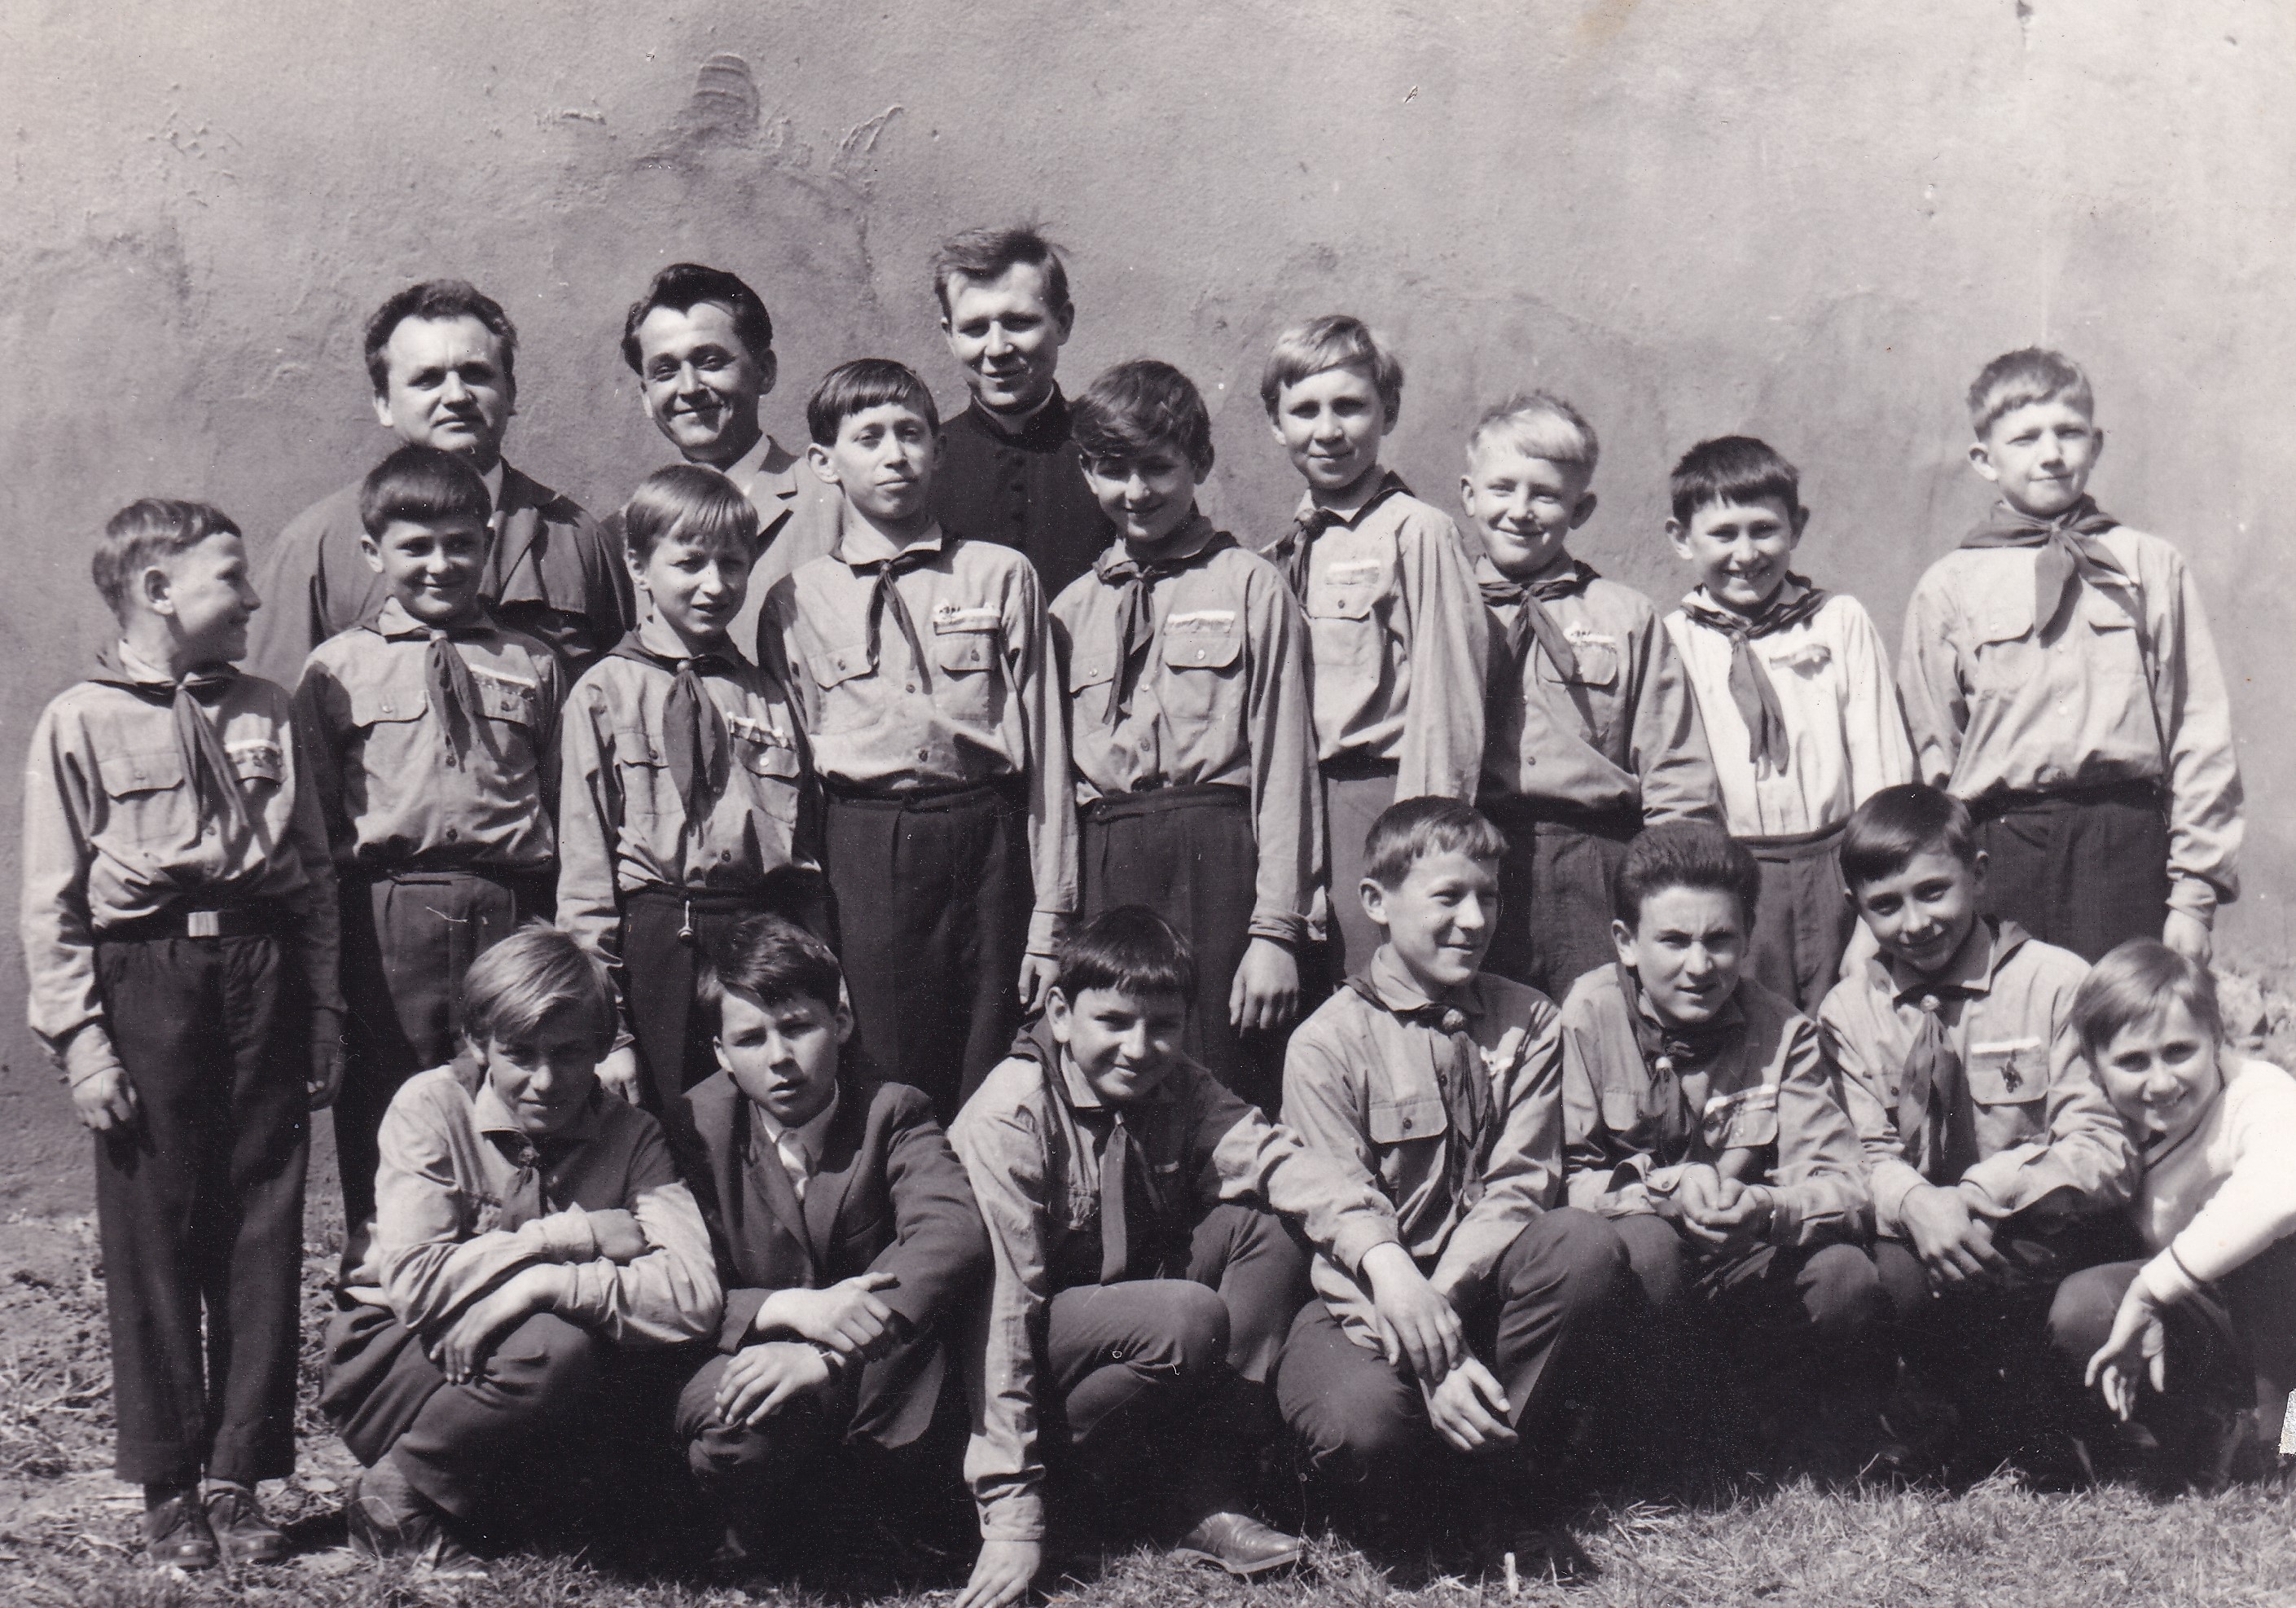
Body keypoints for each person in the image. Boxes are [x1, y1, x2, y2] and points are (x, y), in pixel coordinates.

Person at [20, 499, 342, 1569]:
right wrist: (82, 1040)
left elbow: (312, 873)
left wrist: (324, 1009)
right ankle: (169, 1485)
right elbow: (51, 901)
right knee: (154, 1228)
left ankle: (239, 1474)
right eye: (230, 578)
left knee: (262, 1218)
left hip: (260, 968)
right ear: (159, 592)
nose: (252, 597)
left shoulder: (266, 707)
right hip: (145, 978)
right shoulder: (79, 719)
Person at [950, 907, 1403, 1606]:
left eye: (1162, 1025)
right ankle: (1073, 1500)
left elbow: (1276, 1160)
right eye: (1113, 1022)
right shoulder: (1011, 1115)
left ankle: (1205, 1493)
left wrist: (1382, 1255)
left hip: (1118, 1330)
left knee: (1267, 1226)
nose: (1138, 1049)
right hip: (1017, 1362)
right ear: (1060, 1014)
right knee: (1183, 1316)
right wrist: (1012, 1515)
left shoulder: (1177, 1085)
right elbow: (1001, 1317)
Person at [1279, 799, 1635, 1553]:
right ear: (1375, 902)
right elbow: (1340, 1222)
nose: (1474, 921)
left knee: (1580, 1243)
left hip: (1475, 1288)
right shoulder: (1324, 1044)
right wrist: (1420, 1341)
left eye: (1489, 897)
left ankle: (1492, 1481)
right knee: (1361, 1425)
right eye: (1447, 897)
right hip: (1367, 1303)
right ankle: (1436, 1484)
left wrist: (1438, 1315)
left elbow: (1519, 1184)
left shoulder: (1530, 1020)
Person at [320, 925, 720, 1579]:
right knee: (555, 1344)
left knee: (579, 1351)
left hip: (514, 1368)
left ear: (602, 1047)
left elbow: (693, 1295)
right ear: (478, 1043)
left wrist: (541, 1285)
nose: (545, 1081)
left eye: (569, 1053)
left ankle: (490, 1498)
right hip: (396, 1358)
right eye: (519, 1054)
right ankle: (395, 1493)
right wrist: (569, 1237)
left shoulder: (634, 1136)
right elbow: (417, 1285)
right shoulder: (431, 1106)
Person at [759, 358, 1077, 1117]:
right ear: (824, 463)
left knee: (996, 1066)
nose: (894, 454)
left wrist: (1050, 920)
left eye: (910, 433)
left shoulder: (1000, 575)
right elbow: (791, 786)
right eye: (868, 437)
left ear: (939, 449)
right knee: (886, 1070)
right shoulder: (796, 600)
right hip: (865, 852)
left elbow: (1048, 757)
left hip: (987, 841)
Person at [1819, 784, 2138, 1477]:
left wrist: (1978, 1193)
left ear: (1979, 873)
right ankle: (1951, 1419)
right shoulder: (1848, 1011)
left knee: (2037, 1284)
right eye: (1885, 905)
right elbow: (1860, 1152)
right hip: (1920, 1239)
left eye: (1933, 891)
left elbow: (2101, 1146)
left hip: (2039, 1229)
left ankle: (2047, 1416)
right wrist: (1915, 1201)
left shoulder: (2057, 982)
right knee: (1889, 1277)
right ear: (1855, 907)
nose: (1915, 923)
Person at [294, 446, 566, 1238]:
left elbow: (563, 804)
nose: (440, 565)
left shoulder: (533, 663)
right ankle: (385, 1272)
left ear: (490, 542)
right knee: (387, 1101)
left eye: (460, 544)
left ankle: (511, 1266)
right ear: (372, 551)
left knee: (513, 1089)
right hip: (387, 919)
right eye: (415, 547)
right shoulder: (336, 669)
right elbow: (313, 825)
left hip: (508, 907)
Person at [1558, 821, 1888, 1476]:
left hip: (1739, 1268)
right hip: (1641, 1281)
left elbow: (1845, 1185)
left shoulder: (1783, 1032)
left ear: (1747, 936)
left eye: (1719, 940)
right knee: (1648, 1246)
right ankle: (1646, 1448)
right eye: (1673, 941)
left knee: (1844, 1275)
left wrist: (1765, 1207)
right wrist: (1662, 1191)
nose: (1699, 966)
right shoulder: (1585, 1017)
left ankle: (1767, 1436)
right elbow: (1561, 1179)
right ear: (1625, 942)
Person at [1897, 347, 2241, 964]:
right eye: (2025, 437)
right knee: (2015, 1016)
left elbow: (2197, 731)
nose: (2051, 453)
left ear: (2096, 444)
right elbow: (1932, 751)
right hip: (2001, 849)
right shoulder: (1948, 587)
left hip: (2125, 843)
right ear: (1984, 459)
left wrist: (2193, 895)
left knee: (2127, 1012)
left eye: (2069, 432)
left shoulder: (2149, 565)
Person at [674, 913, 990, 1567]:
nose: (779, 1058)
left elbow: (950, 1230)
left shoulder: (892, 1111)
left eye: (797, 1027)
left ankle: (864, 1514)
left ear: (840, 1022)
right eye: (750, 1039)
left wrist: (825, 1353)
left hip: (869, 1371)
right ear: (721, 1055)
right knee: (738, 1420)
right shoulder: (694, 1128)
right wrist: (788, 1310)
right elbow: (675, 1274)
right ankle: (755, 1534)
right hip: (746, 1349)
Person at [1050, 358, 1319, 1108]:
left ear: (1198, 463)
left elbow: (1286, 763)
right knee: (1118, 1074)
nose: (1136, 491)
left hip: (1218, 860)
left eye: (1157, 467)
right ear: (1087, 473)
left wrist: (1275, 931)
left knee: (1222, 1072)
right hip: (1108, 860)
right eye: (1113, 470)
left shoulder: (1250, 585)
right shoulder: (1070, 610)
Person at [556, 465, 825, 1138]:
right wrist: (609, 1030)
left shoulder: (767, 695)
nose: (715, 584)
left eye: (732, 564)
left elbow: (802, 858)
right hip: (656, 942)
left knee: (757, 1132)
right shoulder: (604, 692)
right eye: (689, 563)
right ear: (638, 566)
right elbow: (585, 875)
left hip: (755, 935)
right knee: (667, 1128)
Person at [249, 279, 633, 685]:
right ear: (383, 404)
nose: (456, 396)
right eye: (428, 379)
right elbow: (275, 705)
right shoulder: (317, 546)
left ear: (511, 393)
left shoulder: (574, 537)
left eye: (476, 374)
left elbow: (620, 696)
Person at [1463, 393, 1720, 999]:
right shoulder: (1444, 605)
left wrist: (1668, 888)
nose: (1520, 511)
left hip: (1593, 859)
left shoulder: (1625, 615)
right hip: (1478, 854)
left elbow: (1676, 770)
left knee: (1599, 1021)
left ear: (1581, 509)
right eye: (1502, 489)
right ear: (1469, 495)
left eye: (1545, 495)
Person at [1258, 315, 1487, 973]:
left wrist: (1426, 850)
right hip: (1299, 812)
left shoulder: (1417, 533)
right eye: (1304, 410)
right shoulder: (1280, 552)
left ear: (1387, 412)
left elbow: (1450, 703)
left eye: (1350, 406)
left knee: (1386, 989)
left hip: (1384, 803)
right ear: (1276, 424)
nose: (1327, 430)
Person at [1662, 435, 1912, 1011]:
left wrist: (1874, 915)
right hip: (1734, 876)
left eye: (1763, 529)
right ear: (1681, 538)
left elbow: (1884, 771)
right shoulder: (1672, 642)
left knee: (1852, 1017)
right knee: (1752, 1029)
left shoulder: (1838, 622)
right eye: (1723, 534)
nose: (1746, 553)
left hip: (1841, 870)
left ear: (1796, 527)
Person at [2050, 942, 2296, 1486]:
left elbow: (2281, 1192)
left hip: (2282, 1322)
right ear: (2093, 1065)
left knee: (2273, 1259)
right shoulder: (2099, 1117)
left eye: (2179, 1051)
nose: (2160, 1083)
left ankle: (2286, 1443)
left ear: (2217, 1038)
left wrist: (2150, 1289)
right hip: (2206, 1318)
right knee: (2084, 1303)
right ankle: (2200, 1435)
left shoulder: (2261, 1093)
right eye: (2132, 1062)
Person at [615, 262, 844, 648]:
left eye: (710, 362)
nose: (689, 388)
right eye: (665, 371)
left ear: (765, 371)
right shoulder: (624, 533)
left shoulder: (835, 498)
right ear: (646, 397)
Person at [928, 226, 1113, 600]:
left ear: (1062, 323)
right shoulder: (924, 465)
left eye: (1018, 322)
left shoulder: (1116, 448)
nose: (997, 349)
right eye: (975, 329)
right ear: (950, 337)